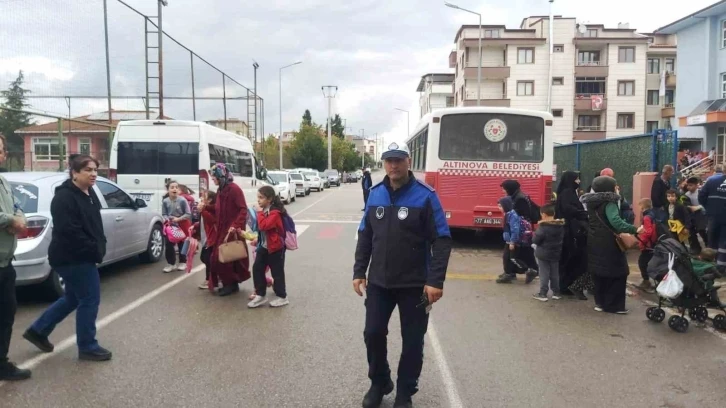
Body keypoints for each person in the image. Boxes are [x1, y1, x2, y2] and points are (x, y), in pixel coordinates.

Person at [353, 142, 452, 408]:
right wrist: (359, 270)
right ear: (383, 163)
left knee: (412, 341)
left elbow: (441, 240)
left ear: (408, 161)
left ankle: (405, 392)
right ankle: (380, 382)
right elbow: (366, 235)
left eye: (398, 160)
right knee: (372, 333)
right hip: (379, 283)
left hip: (416, 286)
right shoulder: (375, 194)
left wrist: (435, 280)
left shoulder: (426, 196)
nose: (393, 165)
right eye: (388, 160)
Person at [24, 155, 112, 361]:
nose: (93, 174)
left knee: (73, 297)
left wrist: (100, 243)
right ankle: (88, 345)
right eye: (88, 170)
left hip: (82, 256)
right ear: (74, 173)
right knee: (90, 298)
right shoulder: (64, 198)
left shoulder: (88, 193)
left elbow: (93, 224)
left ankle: (38, 330)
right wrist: (93, 248)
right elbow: (70, 232)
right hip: (72, 258)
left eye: (95, 170)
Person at [580, 176, 640, 314]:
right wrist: (635, 229)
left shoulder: (591, 202)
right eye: (615, 185)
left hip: (594, 240)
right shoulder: (610, 202)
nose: (617, 188)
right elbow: (616, 222)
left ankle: (600, 303)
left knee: (599, 272)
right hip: (609, 243)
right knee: (618, 272)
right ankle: (614, 306)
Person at [0, 134, 31, 381]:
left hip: (5, 264)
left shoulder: (3, 181)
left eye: (1, 150)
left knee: (7, 314)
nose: (0, 154)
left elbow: (18, 206)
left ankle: (1, 363)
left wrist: (18, 217)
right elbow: (8, 216)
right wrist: (10, 220)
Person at [209, 163, 251, 296]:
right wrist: (205, 208)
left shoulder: (234, 189)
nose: (212, 179)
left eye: (213, 176)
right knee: (221, 258)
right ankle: (229, 283)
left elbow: (243, 209)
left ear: (221, 175)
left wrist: (236, 225)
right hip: (222, 229)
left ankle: (231, 284)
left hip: (232, 231)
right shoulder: (221, 189)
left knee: (226, 258)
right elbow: (217, 209)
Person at [248, 186, 289, 308]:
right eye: (258, 197)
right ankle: (260, 295)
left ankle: (282, 297)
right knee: (257, 268)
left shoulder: (275, 213)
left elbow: (263, 226)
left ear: (270, 199)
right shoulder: (266, 211)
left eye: (261, 198)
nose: (259, 200)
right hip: (264, 247)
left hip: (276, 248)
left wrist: (258, 213)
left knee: (277, 273)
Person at [555, 171, 588, 296]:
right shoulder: (568, 193)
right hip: (570, 232)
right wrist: (584, 214)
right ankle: (566, 285)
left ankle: (566, 285)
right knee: (571, 259)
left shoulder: (565, 192)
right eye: (576, 179)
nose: (578, 182)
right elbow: (569, 209)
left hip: (568, 230)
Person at [500, 179, 537, 272]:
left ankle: (511, 273)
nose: (503, 191)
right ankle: (530, 270)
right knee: (522, 253)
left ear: (510, 189)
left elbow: (520, 216)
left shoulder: (519, 199)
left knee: (512, 254)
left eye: (504, 189)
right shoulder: (517, 196)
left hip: (520, 231)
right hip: (521, 230)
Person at [495, 197, 534, 284]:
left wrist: (512, 242)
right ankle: (508, 273)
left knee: (512, 258)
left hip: (513, 241)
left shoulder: (512, 215)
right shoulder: (508, 214)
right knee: (507, 258)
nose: (499, 208)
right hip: (508, 240)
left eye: (500, 206)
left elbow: (515, 229)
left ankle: (528, 270)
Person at [532, 203, 564, 302]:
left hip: (543, 254)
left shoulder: (543, 227)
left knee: (544, 273)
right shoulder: (560, 226)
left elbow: (535, 240)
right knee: (555, 273)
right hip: (556, 253)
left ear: (544, 215)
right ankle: (556, 292)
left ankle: (543, 293)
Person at [698, 165, 726, 268]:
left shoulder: (711, 180)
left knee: (712, 240)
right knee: (724, 242)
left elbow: (701, 197)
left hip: (713, 216)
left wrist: (709, 208)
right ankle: (721, 267)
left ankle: (710, 265)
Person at [161, 180, 192, 273]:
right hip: (170, 225)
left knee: (182, 243)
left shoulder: (182, 200)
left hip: (182, 224)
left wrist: (178, 219)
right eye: (172, 187)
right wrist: (167, 220)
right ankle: (171, 263)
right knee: (169, 244)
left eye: (176, 187)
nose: (174, 189)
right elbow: (164, 213)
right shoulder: (165, 201)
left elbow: (188, 213)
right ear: (168, 190)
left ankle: (183, 262)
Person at [193, 191, 217, 290]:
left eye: (204, 197)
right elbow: (202, 223)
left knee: (207, 258)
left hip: (211, 239)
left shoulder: (211, 209)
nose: (201, 199)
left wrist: (202, 210)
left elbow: (211, 220)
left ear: (210, 200)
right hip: (205, 238)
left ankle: (209, 279)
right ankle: (214, 278)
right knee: (204, 258)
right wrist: (195, 226)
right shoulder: (204, 210)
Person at [637, 198, 658, 293]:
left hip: (648, 245)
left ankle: (647, 282)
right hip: (653, 243)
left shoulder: (646, 217)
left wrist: (641, 241)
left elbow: (648, 232)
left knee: (642, 263)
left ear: (643, 206)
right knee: (647, 262)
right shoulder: (652, 214)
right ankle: (647, 282)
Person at [684, 177, 708, 253]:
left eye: (691, 185)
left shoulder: (701, 193)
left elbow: (706, 204)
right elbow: (686, 205)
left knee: (702, 230)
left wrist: (699, 207)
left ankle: (708, 247)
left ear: (696, 185)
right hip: (691, 215)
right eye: (688, 185)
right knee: (691, 232)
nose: (689, 187)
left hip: (701, 215)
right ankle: (695, 248)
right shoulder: (686, 194)